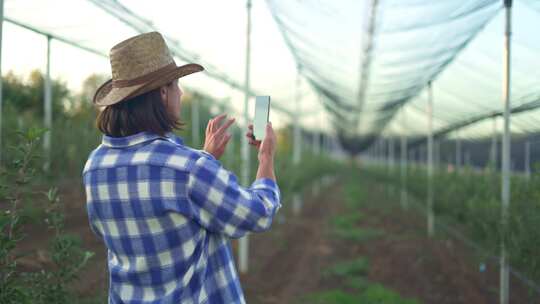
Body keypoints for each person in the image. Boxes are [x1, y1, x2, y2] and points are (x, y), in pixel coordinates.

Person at [82, 31, 281, 304]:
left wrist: (205, 159)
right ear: (163, 93)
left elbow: (150, 194)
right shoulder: (189, 170)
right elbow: (257, 213)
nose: (181, 92)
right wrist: (266, 157)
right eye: (176, 85)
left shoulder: (94, 166)